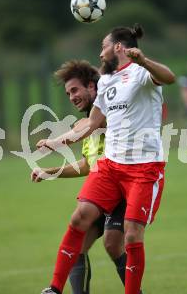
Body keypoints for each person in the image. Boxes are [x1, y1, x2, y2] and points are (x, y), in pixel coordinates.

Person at [37, 23, 175, 294]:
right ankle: (54, 289)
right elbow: (91, 123)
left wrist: (144, 61)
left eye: (103, 47)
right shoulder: (107, 81)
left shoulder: (141, 73)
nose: (100, 54)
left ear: (118, 47)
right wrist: (57, 142)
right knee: (80, 217)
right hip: (110, 167)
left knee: (131, 235)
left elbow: (169, 77)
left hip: (143, 169)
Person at [30, 60, 142, 294]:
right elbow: (86, 165)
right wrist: (49, 172)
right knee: (77, 245)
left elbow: (89, 127)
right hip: (101, 189)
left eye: (75, 90)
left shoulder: (108, 113)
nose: (72, 97)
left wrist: (55, 142)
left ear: (92, 87)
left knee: (112, 243)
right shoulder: (88, 120)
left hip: (122, 188)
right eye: (68, 92)